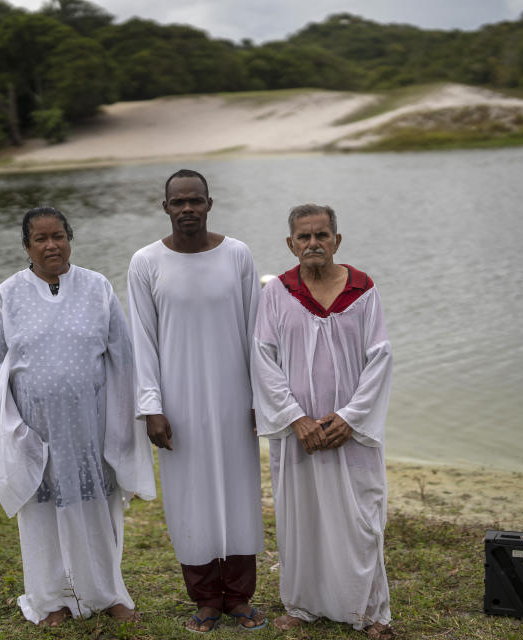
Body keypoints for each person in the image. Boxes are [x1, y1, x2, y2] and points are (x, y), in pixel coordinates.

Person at [0, 206, 155, 628]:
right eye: (41, 238)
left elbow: (124, 360)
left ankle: (108, 593)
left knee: (98, 509)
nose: (51, 245)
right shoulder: (7, 296)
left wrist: (129, 423)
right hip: (34, 432)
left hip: (90, 428)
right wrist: (9, 431)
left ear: (69, 239)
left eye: (58, 236)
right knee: (40, 517)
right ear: (27, 246)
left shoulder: (97, 288)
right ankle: (50, 600)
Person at [127, 170, 267, 633]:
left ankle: (240, 597)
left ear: (210, 203)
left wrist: (258, 398)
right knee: (189, 499)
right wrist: (151, 406)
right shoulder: (145, 262)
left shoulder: (238, 255)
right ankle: (206, 599)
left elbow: (256, 333)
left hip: (234, 399)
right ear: (164, 207)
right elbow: (142, 341)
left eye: (196, 201)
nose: (188, 209)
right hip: (178, 402)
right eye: (178, 202)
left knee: (240, 494)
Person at [250, 204, 394, 638]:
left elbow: (380, 359)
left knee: (362, 520)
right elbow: (263, 358)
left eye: (322, 235)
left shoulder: (363, 289)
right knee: (301, 519)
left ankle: (370, 611)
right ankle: (302, 605)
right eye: (304, 237)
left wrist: (351, 418)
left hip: (349, 432)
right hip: (300, 434)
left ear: (337, 240)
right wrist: (295, 419)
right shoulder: (277, 292)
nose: (313, 243)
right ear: (291, 244)